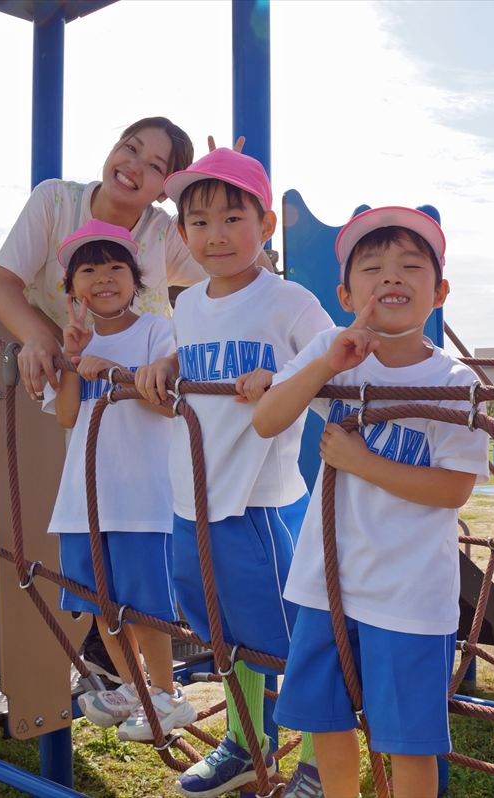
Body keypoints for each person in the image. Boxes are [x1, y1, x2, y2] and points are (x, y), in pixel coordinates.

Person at [255, 207, 488, 798]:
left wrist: (363, 463)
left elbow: (454, 488)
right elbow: (267, 419)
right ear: (345, 292)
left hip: (409, 595)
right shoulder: (331, 349)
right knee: (324, 718)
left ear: (438, 292)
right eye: (374, 267)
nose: (392, 277)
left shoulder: (454, 382)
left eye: (411, 266)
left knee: (410, 740)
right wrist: (328, 366)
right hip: (324, 583)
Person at [134, 148, 334, 798]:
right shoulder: (187, 305)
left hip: (260, 501)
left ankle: (321, 765)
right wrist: (165, 369)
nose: (214, 235)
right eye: (198, 222)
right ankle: (248, 745)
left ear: (266, 223)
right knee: (225, 635)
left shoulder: (290, 302)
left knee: (296, 641)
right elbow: (177, 360)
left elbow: (337, 369)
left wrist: (281, 379)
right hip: (192, 496)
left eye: (231, 218)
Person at [42, 221, 196, 739]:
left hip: (142, 494)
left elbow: (168, 403)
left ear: (137, 280)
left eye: (115, 268)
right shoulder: (75, 344)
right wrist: (72, 360)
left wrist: (110, 368)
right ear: (72, 290)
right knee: (102, 605)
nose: (104, 279)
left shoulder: (156, 331)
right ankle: (135, 688)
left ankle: (167, 694)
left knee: (145, 605)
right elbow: (67, 414)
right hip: (84, 497)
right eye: (89, 270)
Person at [0, 116, 203, 401]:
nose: (134, 166)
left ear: (166, 191)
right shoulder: (56, 203)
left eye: (154, 166)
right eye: (130, 148)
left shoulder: (164, 233)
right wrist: (37, 336)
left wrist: (224, 193)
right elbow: (4, 282)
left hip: (150, 390)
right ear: (114, 148)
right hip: (80, 381)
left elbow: (245, 268)